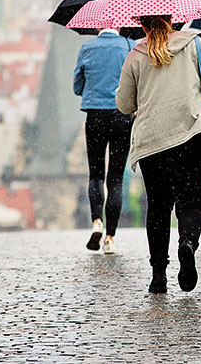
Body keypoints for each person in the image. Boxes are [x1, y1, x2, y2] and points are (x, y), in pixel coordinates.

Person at [116, 15, 201, 294]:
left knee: (158, 206)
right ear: (173, 19)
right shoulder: (195, 44)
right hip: (193, 134)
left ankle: (158, 275)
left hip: (154, 142)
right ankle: (187, 243)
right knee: (191, 201)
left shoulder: (135, 55)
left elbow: (124, 104)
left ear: (142, 25)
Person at [73, 27, 135, 255]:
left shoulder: (87, 47)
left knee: (96, 174)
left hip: (95, 116)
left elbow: (77, 86)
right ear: (119, 25)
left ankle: (96, 222)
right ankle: (110, 238)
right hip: (121, 116)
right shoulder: (129, 45)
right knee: (116, 178)